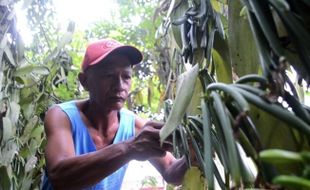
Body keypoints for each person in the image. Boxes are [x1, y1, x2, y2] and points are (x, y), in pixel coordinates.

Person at [41, 39, 190, 190]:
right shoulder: (62, 116)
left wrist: (193, 156)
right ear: (84, 81)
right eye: (108, 75)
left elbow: (171, 171)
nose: (119, 86)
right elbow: (60, 178)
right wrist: (130, 148)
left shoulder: (135, 126)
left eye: (126, 76)